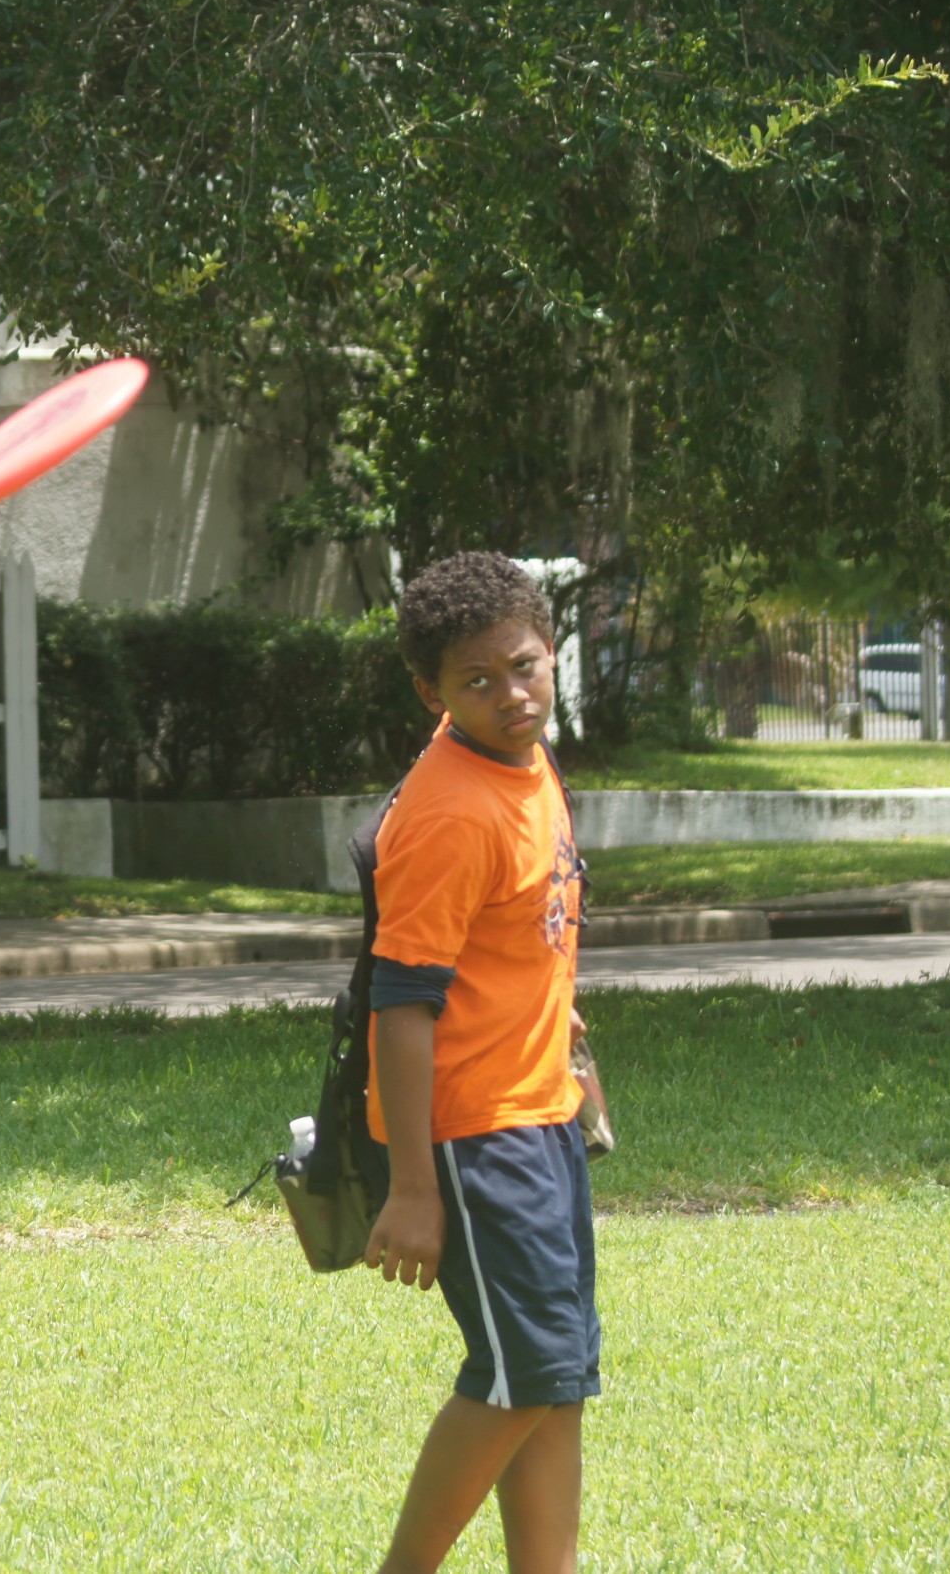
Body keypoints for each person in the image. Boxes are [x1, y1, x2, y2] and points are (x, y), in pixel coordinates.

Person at [365, 551, 597, 1574]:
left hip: (541, 1110)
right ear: (434, 694)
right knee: (516, 1378)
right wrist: (415, 1186)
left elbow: (519, 936)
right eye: (478, 681)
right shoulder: (452, 810)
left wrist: (566, 1035)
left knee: (556, 1378)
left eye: (525, 666)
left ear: (550, 650)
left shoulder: (527, 760)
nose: (513, 695)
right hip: (474, 1136)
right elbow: (402, 1002)